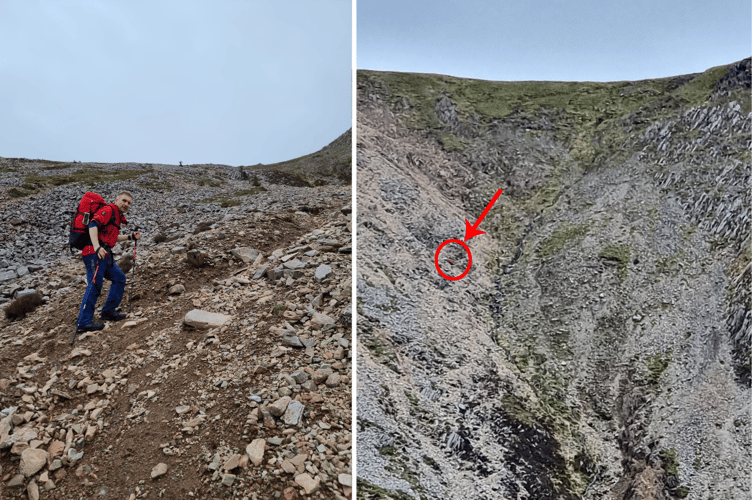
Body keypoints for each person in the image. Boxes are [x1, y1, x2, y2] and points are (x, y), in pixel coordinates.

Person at [76, 191, 141, 333]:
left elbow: (112, 236)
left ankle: (108, 312)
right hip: (94, 253)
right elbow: (93, 225)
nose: (126, 204)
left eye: (129, 203)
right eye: (124, 201)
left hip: (105, 254)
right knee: (94, 285)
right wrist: (97, 247)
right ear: (116, 200)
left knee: (119, 278)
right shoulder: (108, 210)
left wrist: (130, 237)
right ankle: (83, 322)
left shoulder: (117, 216)